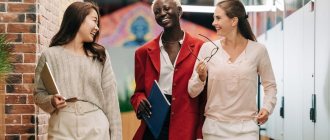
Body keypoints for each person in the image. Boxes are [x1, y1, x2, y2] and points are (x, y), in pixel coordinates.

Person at [188, 0, 277, 139]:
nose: (213, 23)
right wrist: (201, 78)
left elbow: (270, 86)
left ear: (234, 21)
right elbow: (192, 91)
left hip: (247, 130)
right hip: (214, 129)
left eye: (218, 18)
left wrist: (267, 108)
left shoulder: (258, 50)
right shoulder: (207, 49)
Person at [34, 2, 122, 140]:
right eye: (94, 20)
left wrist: (116, 137)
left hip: (96, 127)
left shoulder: (100, 55)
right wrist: (51, 101)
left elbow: (112, 103)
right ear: (79, 18)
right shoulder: (50, 55)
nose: (97, 27)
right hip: (61, 126)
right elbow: (38, 94)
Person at [130, 0, 206, 139]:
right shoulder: (143, 53)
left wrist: (200, 133)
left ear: (179, 11)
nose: (162, 14)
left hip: (186, 126)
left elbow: (204, 98)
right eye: (157, 12)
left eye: (166, 9)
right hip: (154, 123)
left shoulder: (201, 47)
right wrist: (139, 101)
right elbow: (138, 92)